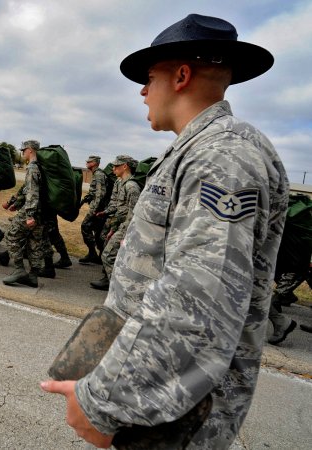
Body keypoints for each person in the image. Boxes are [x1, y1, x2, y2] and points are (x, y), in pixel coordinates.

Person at [41, 14, 288, 449]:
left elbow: (196, 303)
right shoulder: (196, 149)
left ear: (181, 75)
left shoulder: (223, 156)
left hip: (178, 413)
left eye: (149, 77)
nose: (141, 90)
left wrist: (104, 402)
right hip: (160, 404)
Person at [0, 140, 44, 287]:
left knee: (12, 235)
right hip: (42, 212)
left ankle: (19, 269)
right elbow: (28, 190)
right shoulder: (41, 167)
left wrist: (29, 214)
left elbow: (32, 192)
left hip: (32, 210)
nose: (22, 153)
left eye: (24, 150)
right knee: (34, 243)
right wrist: (16, 203)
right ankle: (33, 276)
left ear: (31, 150)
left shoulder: (33, 168)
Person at [90, 155, 140, 290]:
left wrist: (125, 233)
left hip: (125, 226)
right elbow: (117, 206)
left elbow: (133, 213)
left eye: (116, 166)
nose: (113, 168)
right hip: (117, 223)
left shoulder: (132, 187)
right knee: (106, 246)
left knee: (107, 255)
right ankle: (107, 279)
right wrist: (106, 214)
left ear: (125, 166)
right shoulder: (120, 183)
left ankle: (117, 288)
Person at [78, 155, 108, 265]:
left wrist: (94, 209)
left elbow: (100, 194)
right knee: (99, 232)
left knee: (85, 226)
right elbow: (94, 192)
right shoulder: (96, 174)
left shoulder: (99, 174)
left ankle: (92, 253)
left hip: (98, 209)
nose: (87, 162)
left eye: (89, 161)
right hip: (99, 208)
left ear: (95, 163)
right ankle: (100, 256)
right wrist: (84, 200)